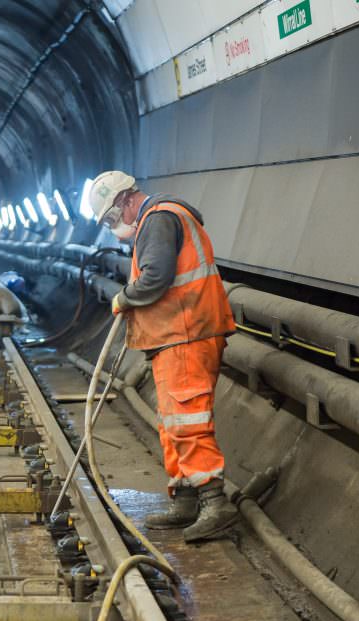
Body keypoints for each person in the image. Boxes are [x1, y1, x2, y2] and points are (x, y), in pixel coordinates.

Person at [88, 170, 237, 542]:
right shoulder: (159, 220)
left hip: (186, 332)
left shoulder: (158, 219)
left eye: (110, 217)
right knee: (172, 421)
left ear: (125, 199)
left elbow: (156, 277)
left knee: (187, 420)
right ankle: (186, 498)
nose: (112, 225)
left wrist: (124, 297)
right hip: (176, 334)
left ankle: (215, 503)